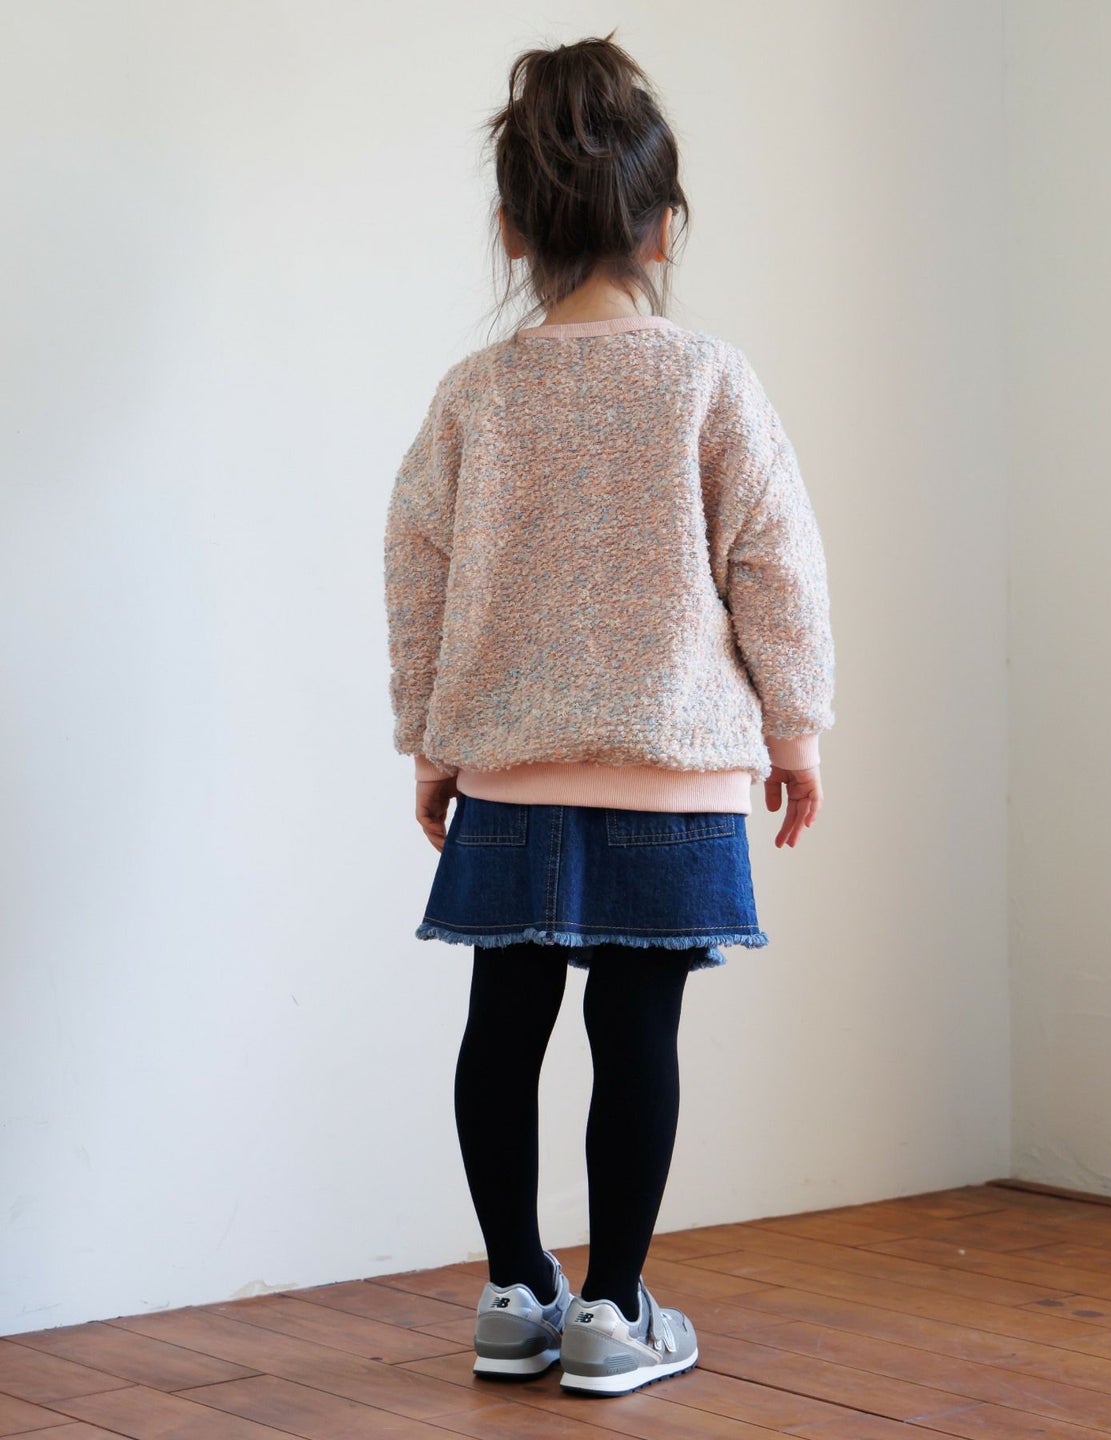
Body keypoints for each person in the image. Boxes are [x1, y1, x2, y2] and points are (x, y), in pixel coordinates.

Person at [383, 31, 835, 1398]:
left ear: (512, 230)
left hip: (510, 772)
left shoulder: (477, 393)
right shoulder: (708, 378)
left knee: (501, 1026)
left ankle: (514, 1290)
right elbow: (776, 561)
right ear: (664, 225)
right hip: (672, 768)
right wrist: (796, 731)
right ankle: (613, 1308)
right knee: (637, 1036)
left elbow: (417, 567)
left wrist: (432, 738)